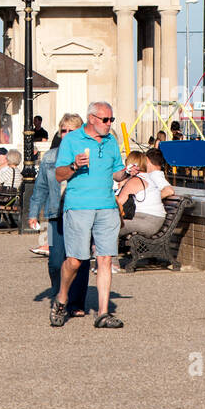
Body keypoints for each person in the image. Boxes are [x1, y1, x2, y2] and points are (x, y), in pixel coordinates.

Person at [51, 101, 128, 329]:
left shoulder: (111, 141)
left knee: (105, 259)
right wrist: (74, 166)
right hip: (79, 206)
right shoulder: (72, 140)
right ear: (92, 119)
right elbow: (58, 175)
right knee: (76, 261)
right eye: (105, 120)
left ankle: (103, 313)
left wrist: (128, 173)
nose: (109, 124)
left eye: (111, 119)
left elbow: (116, 174)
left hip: (107, 207)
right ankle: (62, 298)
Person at [28, 115, 91, 316]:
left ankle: (76, 303)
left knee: (80, 260)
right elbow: (41, 188)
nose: (66, 134)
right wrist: (33, 213)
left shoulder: (88, 156)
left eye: (71, 131)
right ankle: (59, 294)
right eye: (63, 130)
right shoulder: (49, 157)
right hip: (56, 214)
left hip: (81, 214)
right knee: (55, 261)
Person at [116, 150, 170, 239]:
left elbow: (118, 203)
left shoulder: (135, 181)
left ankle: (102, 252)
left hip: (147, 221)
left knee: (108, 228)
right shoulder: (147, 177)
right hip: (152, 220)